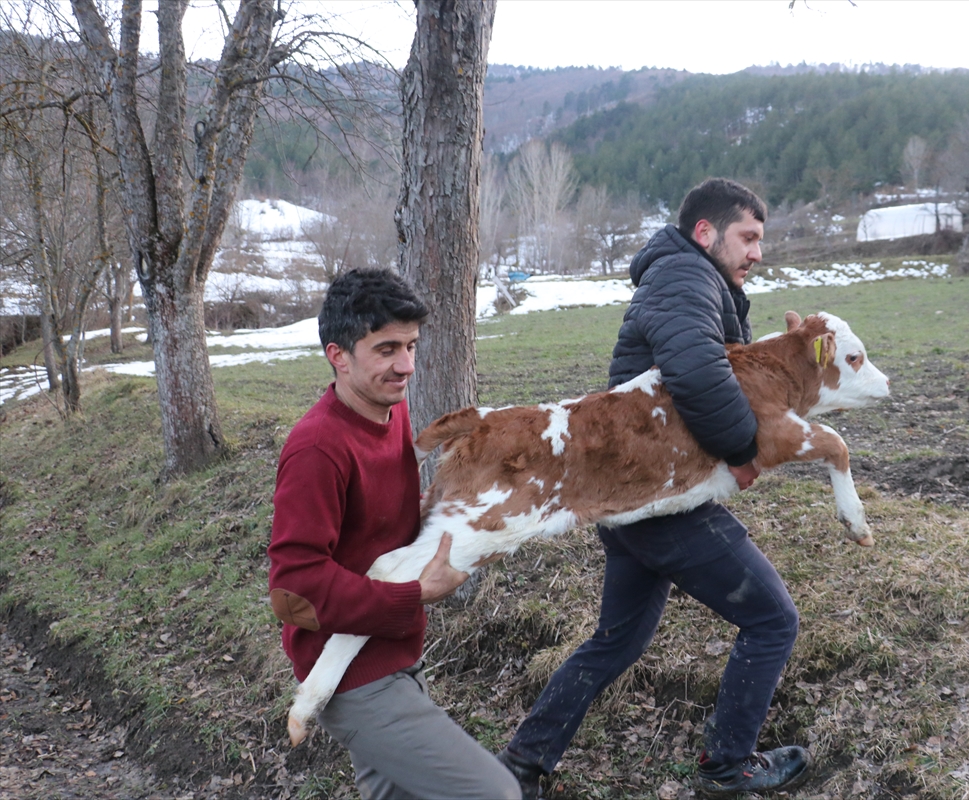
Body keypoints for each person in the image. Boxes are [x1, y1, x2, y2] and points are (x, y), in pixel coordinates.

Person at [496, 178, 810, 799]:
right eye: (747, 237)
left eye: (760, 240)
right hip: (661, 496)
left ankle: (521, 767)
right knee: (773, 620)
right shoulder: (684, 279)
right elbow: (696, 370)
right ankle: (727, 765)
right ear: (705, 233)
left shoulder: (693, 281)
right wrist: (745, 450)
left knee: (616, 640)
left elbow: (719, 367)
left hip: (631, 493)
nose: (757, 252)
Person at [268, 268, 520, 800]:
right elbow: (293, 592)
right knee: (495, 794)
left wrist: (440, 513)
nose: (405, 365)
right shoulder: (317, 450)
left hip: (398, 650)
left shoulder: (392, 411)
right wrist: (415, 595)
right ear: (338, 354)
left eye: (410, 346)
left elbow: (380, 524)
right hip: (351, 674)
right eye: (386, 349)